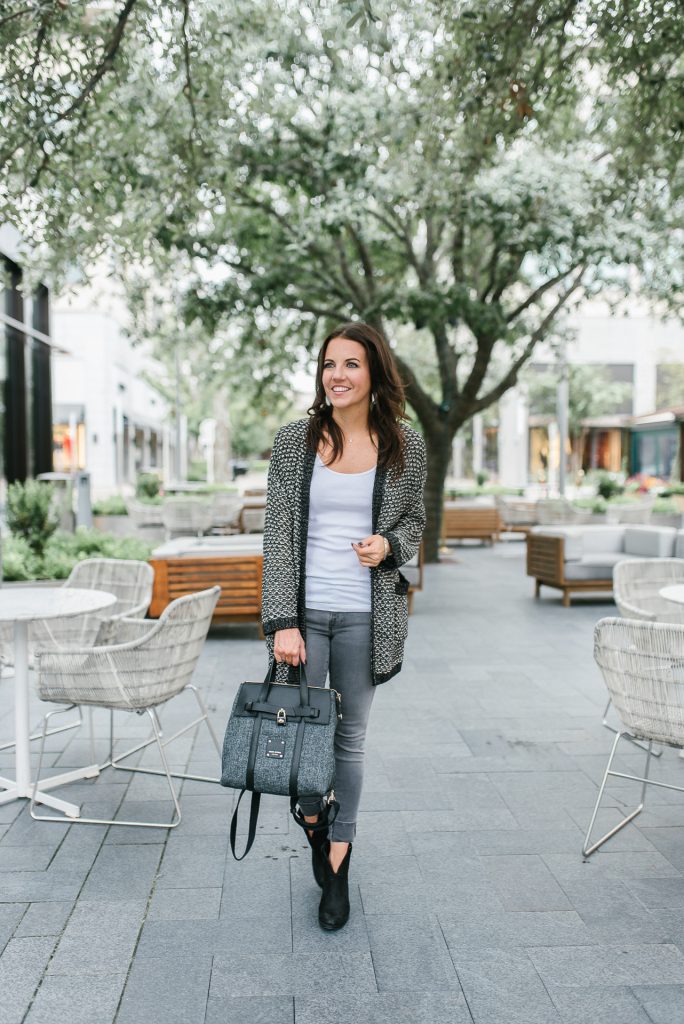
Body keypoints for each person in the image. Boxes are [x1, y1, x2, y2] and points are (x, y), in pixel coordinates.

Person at [261, 321, 427, 931]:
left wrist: (390, 544)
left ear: (374, 373)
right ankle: (314, 824)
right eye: (330, 363)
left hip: (366, 613)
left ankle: (339, 861)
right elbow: (277, 534)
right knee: (304, 739)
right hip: (303, 618)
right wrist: (281, 619)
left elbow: (415, 525)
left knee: (349, 739)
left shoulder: (404, 444)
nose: (338, 374)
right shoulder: (294, 441)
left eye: (352, 364)